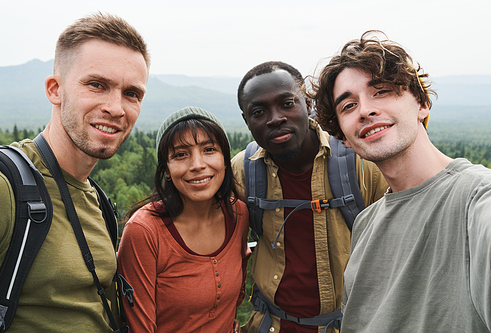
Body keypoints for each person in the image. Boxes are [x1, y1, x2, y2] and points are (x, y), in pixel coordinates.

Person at [310, 30, 491, 332]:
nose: (365, 110)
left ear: (422, 104)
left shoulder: (477, 199)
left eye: (380, 91)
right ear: (344, 138)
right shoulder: (366, 224)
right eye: (348, 106)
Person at [0, 13, 149, 332]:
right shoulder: (2, 188)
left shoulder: (97, 200)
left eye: (131, 93)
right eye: (96, 85)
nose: (116, 107)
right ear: (55, 90)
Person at [231, 61, 388, 333]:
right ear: (247, 121)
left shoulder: (362, 166)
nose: (275, 118)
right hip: (269, 325)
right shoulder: (243, 172)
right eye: (259, 111)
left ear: (308, 103)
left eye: (288, 103)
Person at [117, 106, 251, 333]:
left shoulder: (238, 214)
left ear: (225, 159)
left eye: (209, 149)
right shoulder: (145, 231)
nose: (197, 165)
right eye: (180, 154)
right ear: (166, 169)